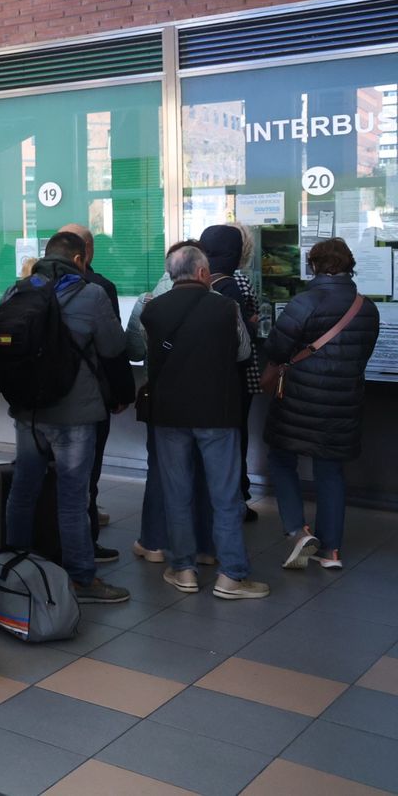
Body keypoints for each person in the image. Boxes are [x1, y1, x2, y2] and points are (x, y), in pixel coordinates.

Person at [4, 230, 131, 605]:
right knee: (73, 497)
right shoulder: (90, 294)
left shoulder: (18, 291)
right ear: (79, 260)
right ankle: (81, 578)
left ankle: (15, 564)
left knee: (23, 489)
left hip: (27, 411)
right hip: (75, 413)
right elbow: (113, 347)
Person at [140, 244, 268, 599]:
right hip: (218, 412)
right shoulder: (226, 307)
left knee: (177, 493)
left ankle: (183, 570)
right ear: (201, 273)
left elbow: (147, 355)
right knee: (225, 495)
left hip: (168, 415)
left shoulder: (152, 310)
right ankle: (231, 576)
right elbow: (243, 352)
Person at [262, 238, 379, 572]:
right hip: (343, 403)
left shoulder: (303, 303)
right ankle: (331, 552)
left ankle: (297, 531)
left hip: (297, 401)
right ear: (349, 265)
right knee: (330, 471)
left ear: (313, 265)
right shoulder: (366, 308)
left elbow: (277, 349)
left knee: (282, 460)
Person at [126, 241, 215, 565]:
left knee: (161, 472)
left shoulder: (147, 302)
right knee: (204, 471)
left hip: (162, 399)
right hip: (208, 400)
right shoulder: (216, 300)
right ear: (200, 269)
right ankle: (205, 548)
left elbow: (133, 351)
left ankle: (154, 543)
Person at [57, 222, 134, 556]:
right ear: (87, 252)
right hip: (89, 399)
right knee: (86, 476)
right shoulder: (100, 287)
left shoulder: (30, 286)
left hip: (38, 402)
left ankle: (39, 547)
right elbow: (112, 348)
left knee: (41, 478)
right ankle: (85, 548)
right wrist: (120, 393)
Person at [198, 224, 261, 519]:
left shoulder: (183, 280)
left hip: (198, 379)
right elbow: (244, 341)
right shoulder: (237, 284)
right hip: (235, 376)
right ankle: (236, 497)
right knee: (234, 437)